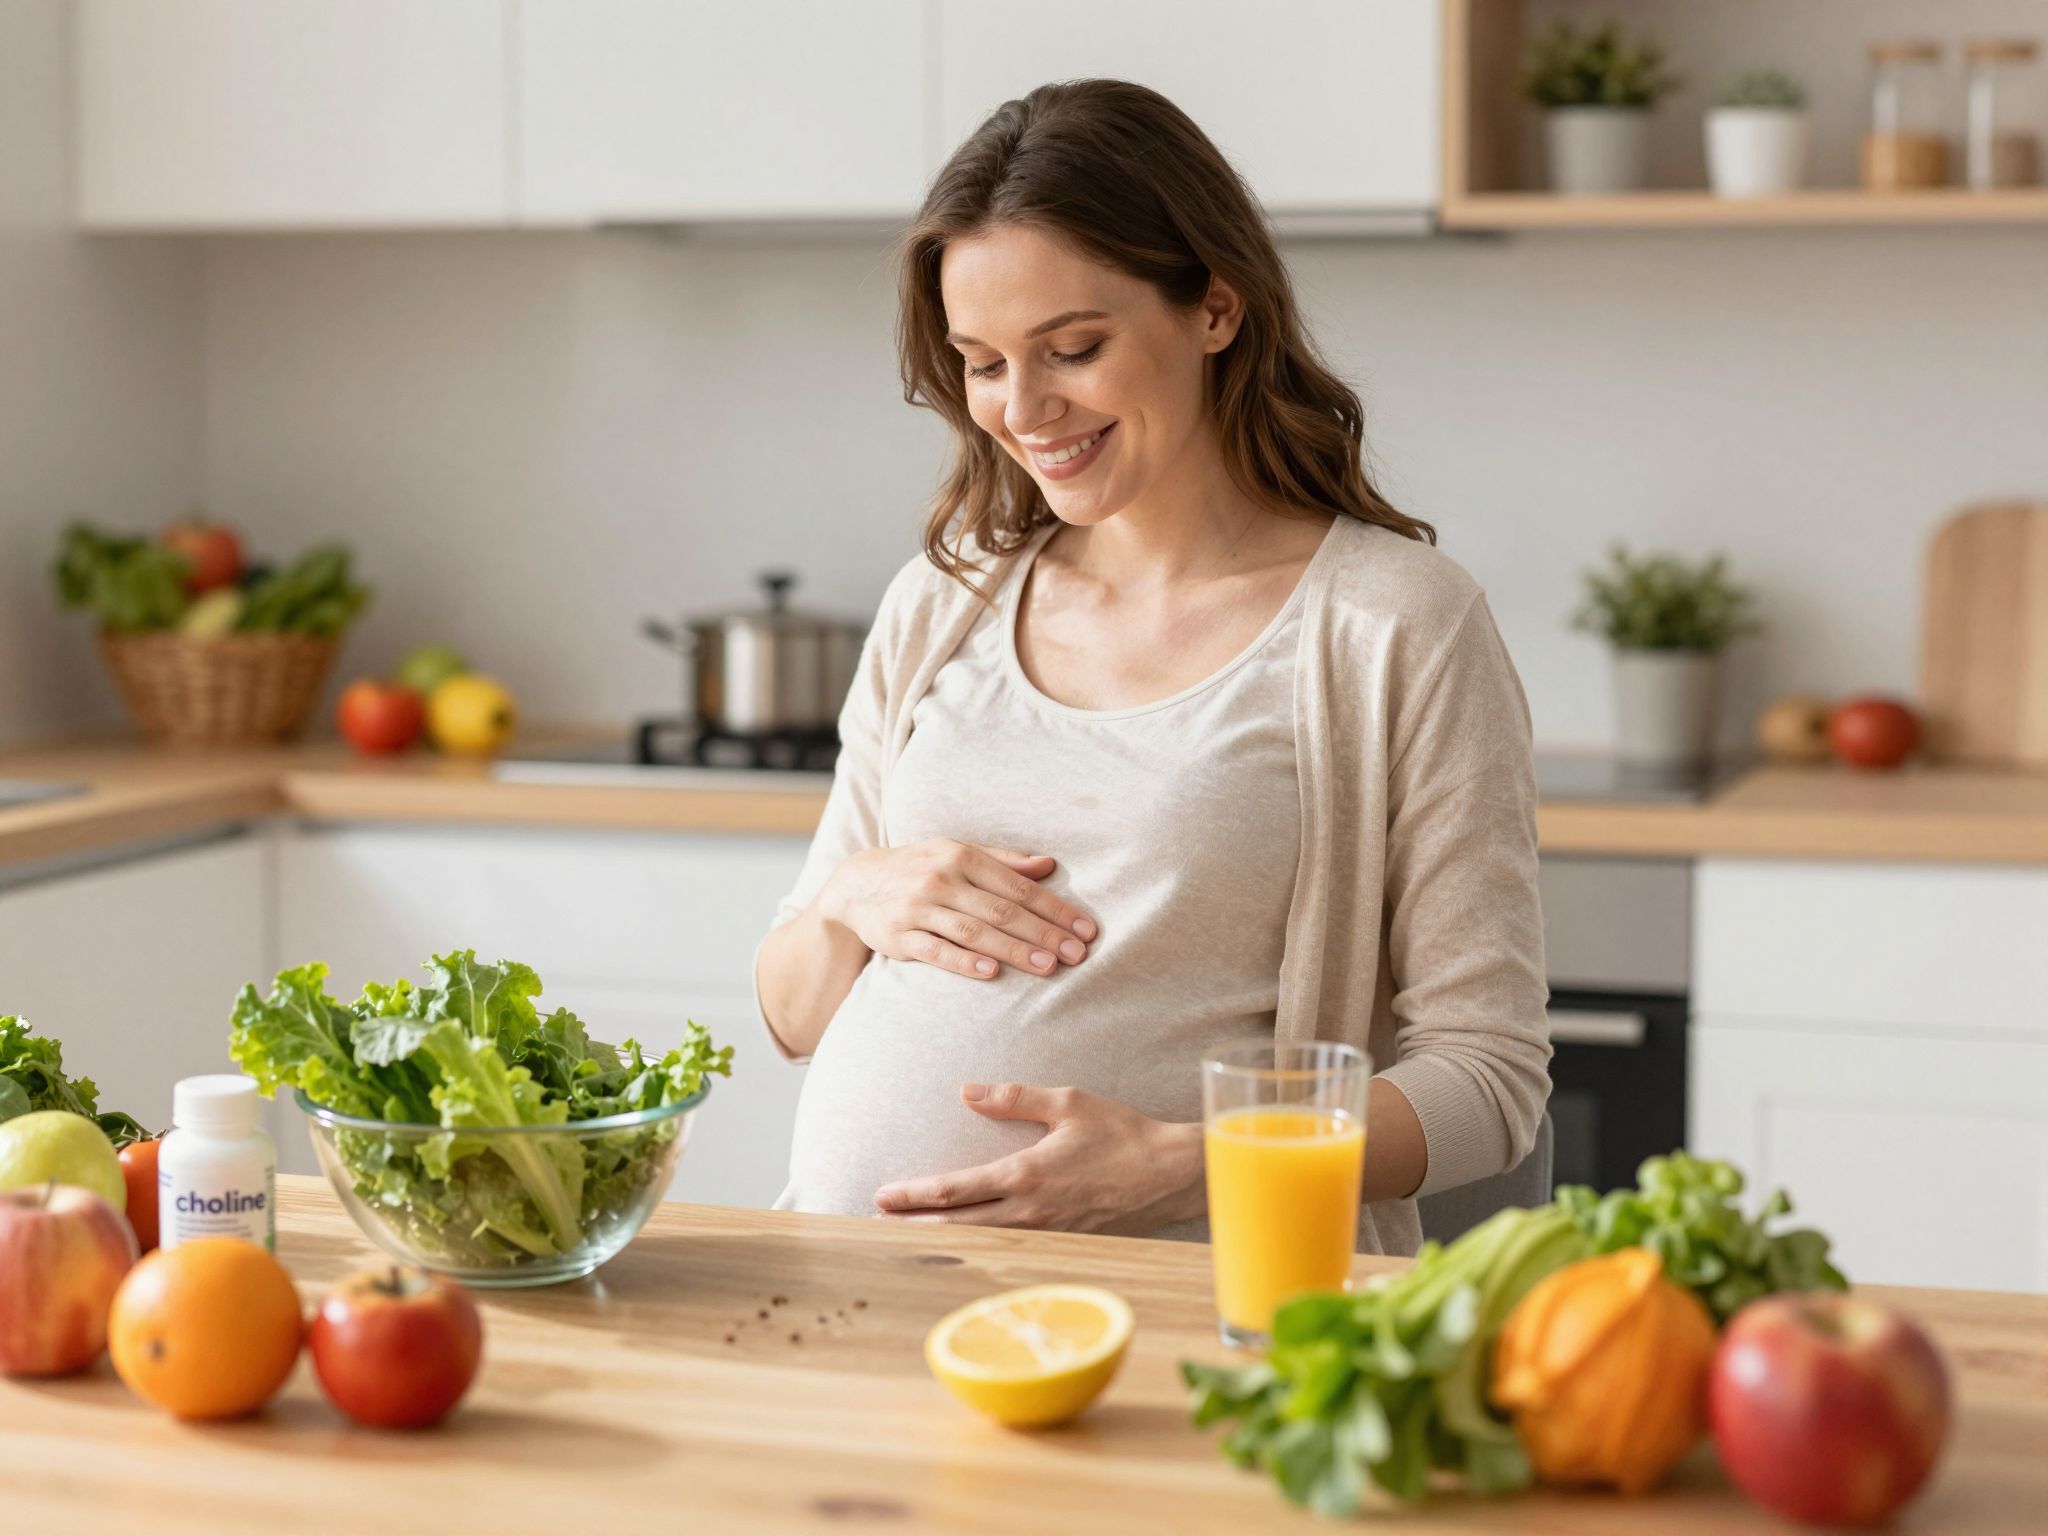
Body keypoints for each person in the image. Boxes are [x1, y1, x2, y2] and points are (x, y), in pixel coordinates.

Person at [751, 80, 1549, 1253]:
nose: (1023, 410)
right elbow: (789, 1016)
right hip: (847, 1296)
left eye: (1072, 349)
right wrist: (847, 900)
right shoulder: (941, 603)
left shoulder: (1391, 625)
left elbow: (1488, 1083)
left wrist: (1189, 1168)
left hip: (1197, 1316)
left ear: (1214, 309)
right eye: (980, 363)